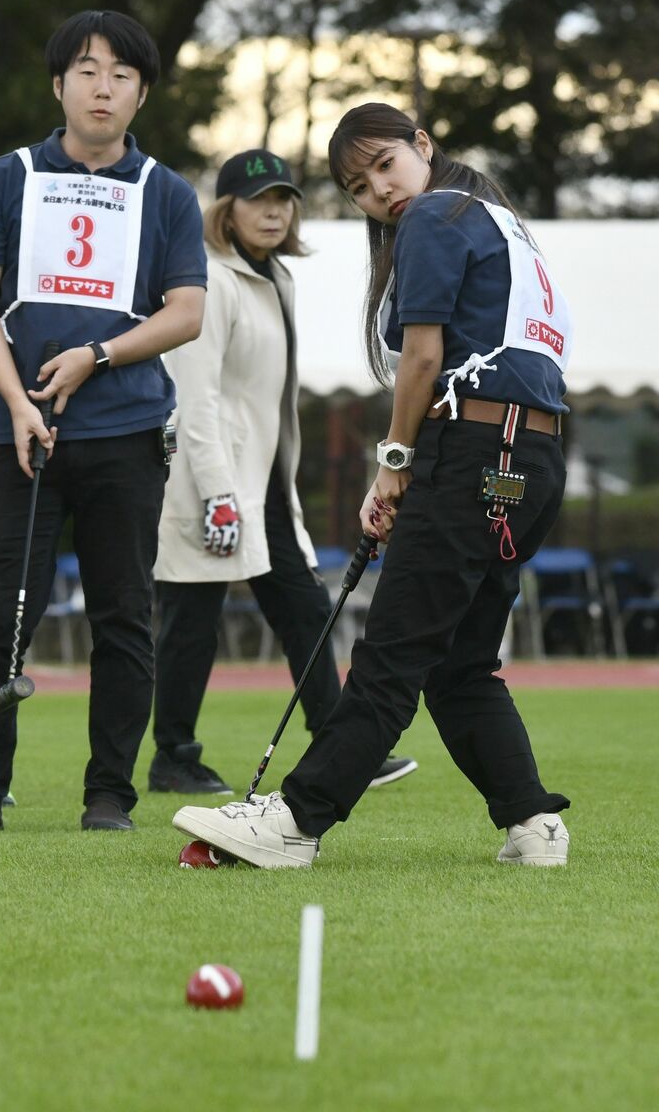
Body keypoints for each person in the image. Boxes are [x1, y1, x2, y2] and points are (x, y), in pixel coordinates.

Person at [174, 102, 572, 868]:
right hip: (530, 456)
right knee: (459, 662)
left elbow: (423, 357)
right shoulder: (498, 220)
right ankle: (532, 822)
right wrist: (408, 467)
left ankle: (295, 820)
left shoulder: (434, 214)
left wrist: (393, 464)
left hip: (478, 447)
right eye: (358, 186)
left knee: (393, 653)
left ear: (424, 145)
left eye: (386, 164)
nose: (379, 191)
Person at [0, 9, 206, 835]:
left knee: (122, 614)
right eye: (87, 69)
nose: (103, 86)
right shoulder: (1, 178)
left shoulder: (168, 192)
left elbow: (186, 311)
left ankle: (109, 795)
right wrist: (13, 399)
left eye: (122, 74)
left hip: (126, 429)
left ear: (141, 93)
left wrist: (101, 355)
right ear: (59, 84)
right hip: (17, 429)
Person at [150, 148, 416, 794]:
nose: (274, 211)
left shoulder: (277, 279)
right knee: (190, 621)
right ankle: (174, 757)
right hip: (210, 482)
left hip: (266, 485)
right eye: (257, 200)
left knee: (305, 607)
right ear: (226, 211)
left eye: (283, 200)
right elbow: (197, 397)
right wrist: (216, 495)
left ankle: (337, 741)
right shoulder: (208, 281)